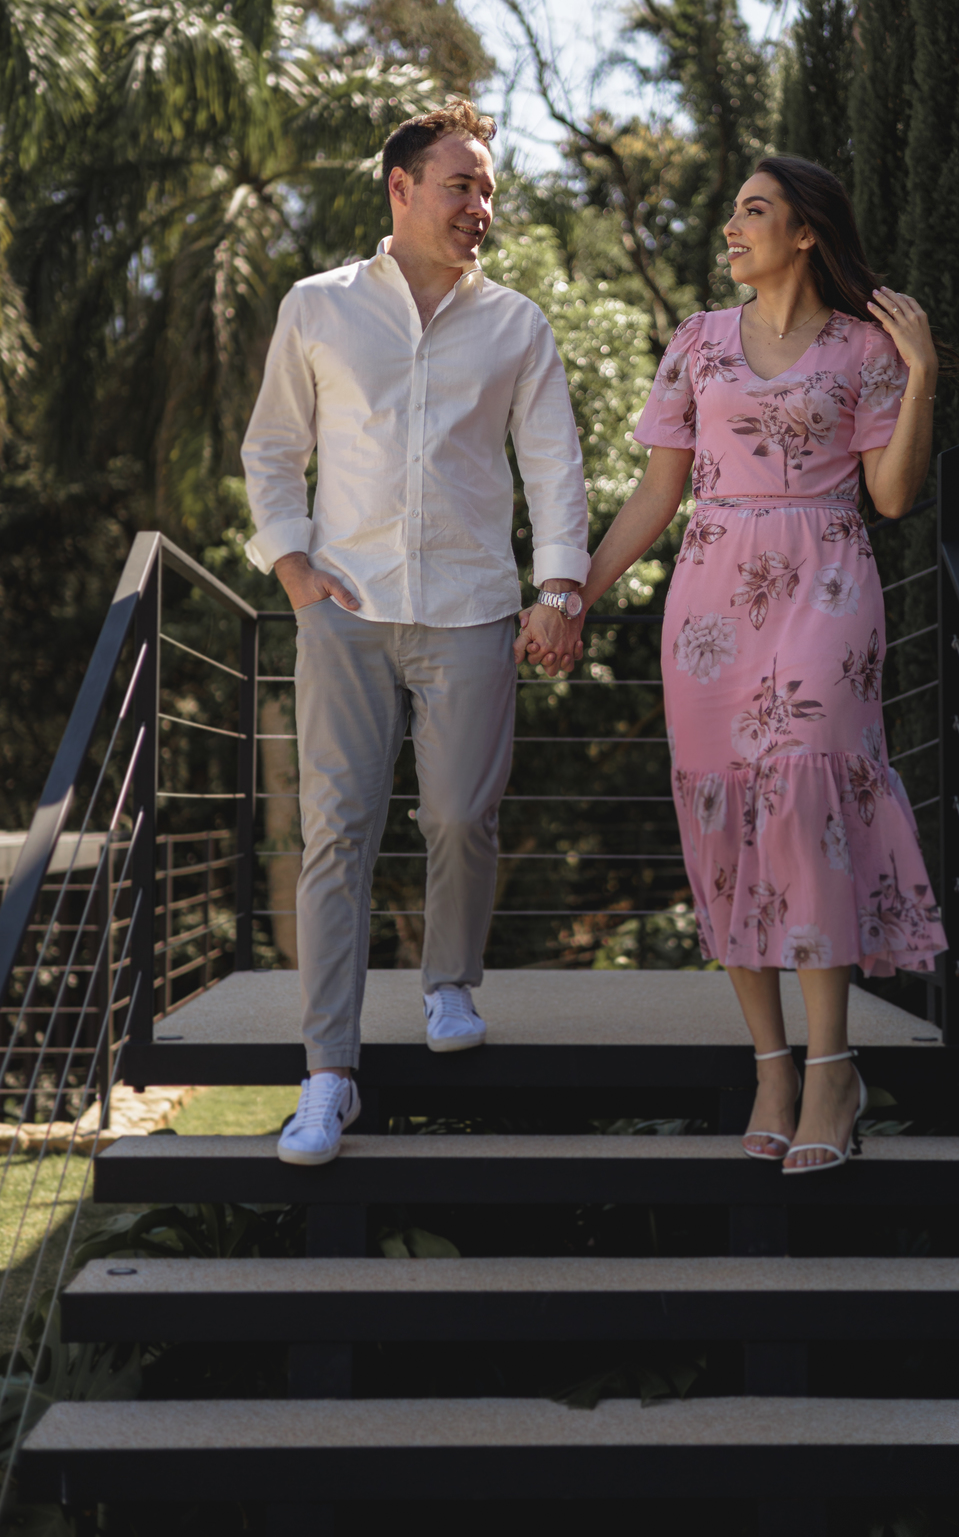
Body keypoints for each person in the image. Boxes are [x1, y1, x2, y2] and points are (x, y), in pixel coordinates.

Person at [570, 155, 948, 1172]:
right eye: (733, 212)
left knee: (808, 791)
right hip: (710, 602)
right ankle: (772, 1065)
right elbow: (656, 497)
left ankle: (834, 1067)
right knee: (724, 811)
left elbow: (896, 495)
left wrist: (922, 380)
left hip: (827, 579)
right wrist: (575, 592)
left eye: (754, 211)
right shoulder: (696, 344)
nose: (731, 228)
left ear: (806, 233)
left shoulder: (865, 349)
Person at [241, 98, 589, 1165]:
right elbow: (273, 449)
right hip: (343, 612)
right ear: (400, 188)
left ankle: (448, 985)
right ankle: (329, 1075)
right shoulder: (318, 306)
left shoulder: (517, 324)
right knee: (337, 835)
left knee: (457, 815)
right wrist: (293, 567)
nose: (480, 206)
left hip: (476, 608)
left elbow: (554, 467)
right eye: (461, 185)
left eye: (487, 188)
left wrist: (560, 588)